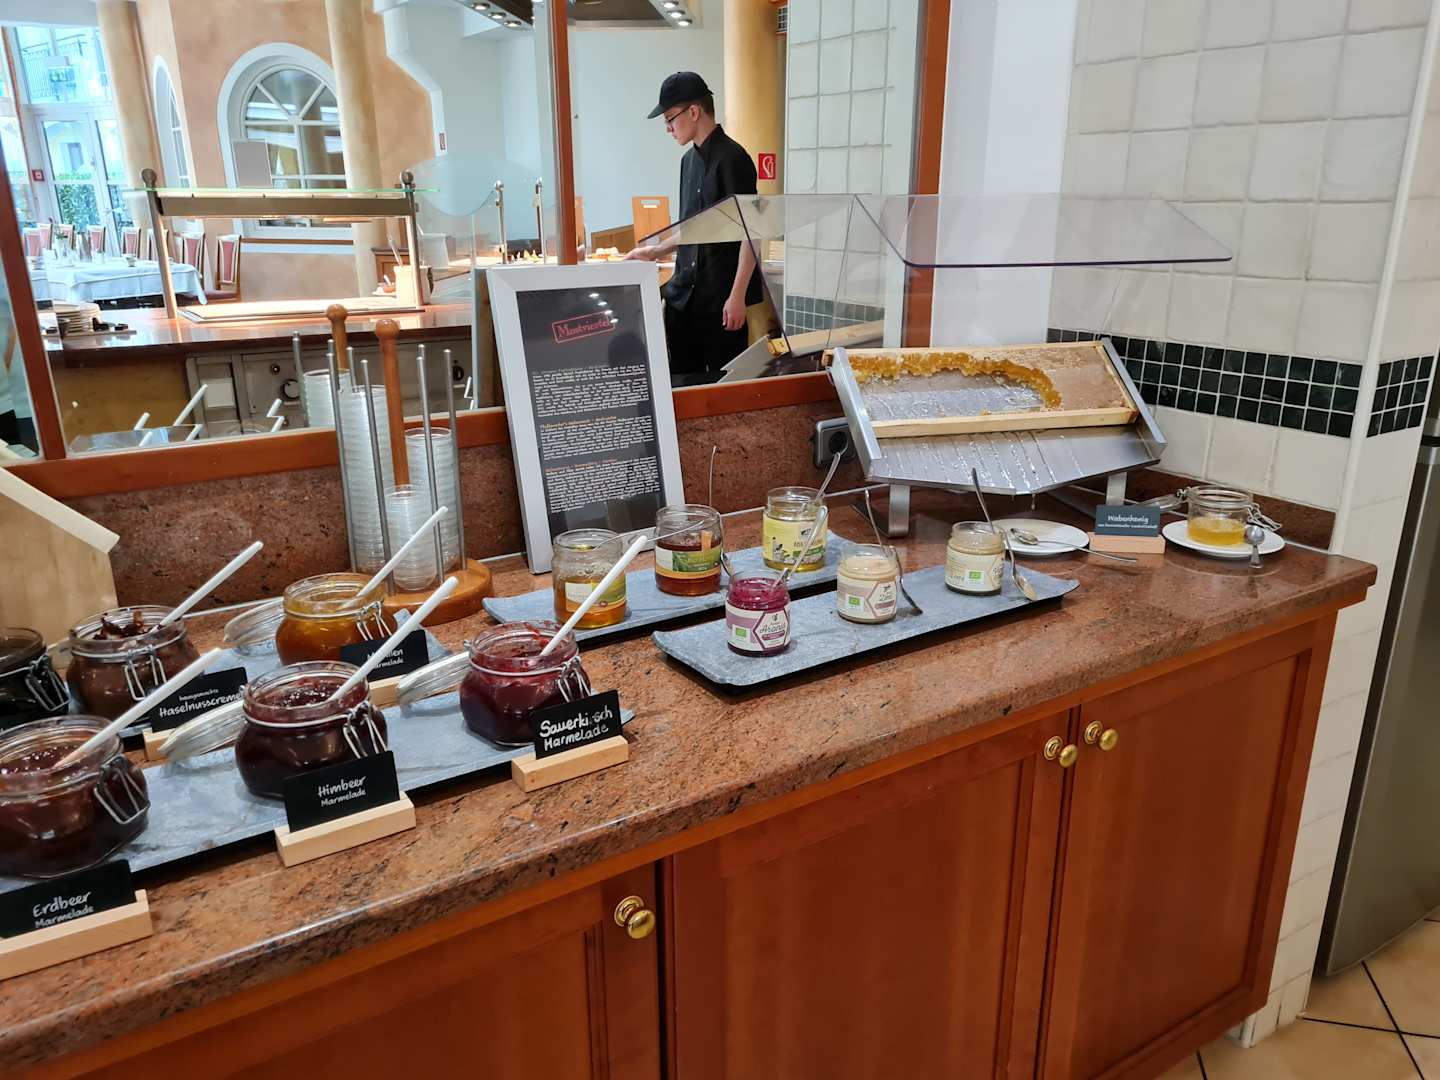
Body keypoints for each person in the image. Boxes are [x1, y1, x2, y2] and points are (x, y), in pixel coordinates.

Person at [626, 71, 762, 383]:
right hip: (682, 298)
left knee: (722, 387)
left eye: (670, 119)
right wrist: (656, 251)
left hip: (720, 301)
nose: (668, 128)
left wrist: (738, 296)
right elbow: (694, 227)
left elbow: (751, 232)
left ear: (694, 112)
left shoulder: (734, 158)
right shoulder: (687, 162)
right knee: (680, 384)